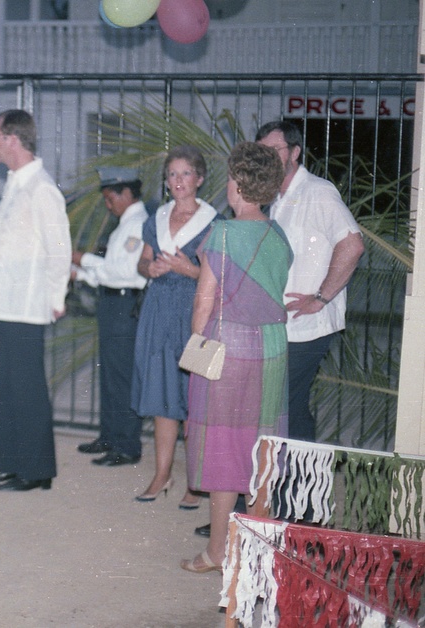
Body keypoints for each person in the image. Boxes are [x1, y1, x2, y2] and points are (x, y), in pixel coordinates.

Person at [181, 142, 291, 573]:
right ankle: (258, 553)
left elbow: (203, 300)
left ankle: (217, 551)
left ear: (239, 185)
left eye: (229, 177)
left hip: (228, 352)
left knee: (221, 447)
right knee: (260, 448)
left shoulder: (224, 234)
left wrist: (197, 343)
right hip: (273, 349)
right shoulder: (278, 234)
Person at [0, 109, 71, 492]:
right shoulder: (16, 183)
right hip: (2, 303)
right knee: (5, 387)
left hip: (27, 304)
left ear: (12, 139)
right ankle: (11, 462)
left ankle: (36, 471)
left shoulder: (42, 189)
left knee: (27, 389)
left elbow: (59, 250)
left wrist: (56, 296)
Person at [256, 120, 365, 442]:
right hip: (282, 324)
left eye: (274, 150)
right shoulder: (273, 198)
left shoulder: (317, 192)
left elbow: (353, 244)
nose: (268, 158)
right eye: (262, 152)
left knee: (284, 404)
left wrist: (321, 297)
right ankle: (293, 485)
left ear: (295, 152)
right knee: (287, 405)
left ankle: (293, 486)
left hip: (307, 325)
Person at [131, 145, 218, 508]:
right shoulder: (157, 217)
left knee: (195, 398)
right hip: (158, 310)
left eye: (185, 174)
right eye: (172, 174)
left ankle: (197, 483)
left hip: (197, 311)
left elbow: (220, 276)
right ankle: (161, 474)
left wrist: (188, 270)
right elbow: (142, 262)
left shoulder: (215, 221)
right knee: (161, 396)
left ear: (199, 179)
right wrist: (147, 269)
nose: (178, 181)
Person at [73, 167, 149, 466]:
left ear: (127, 193)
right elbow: (109, 272)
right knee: (110, 373)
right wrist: (82, 272)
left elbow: (123, 272)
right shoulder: (125, 225)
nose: (108, 205)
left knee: (121, 377)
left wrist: (82, 259)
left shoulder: (137, 225)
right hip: (112, 303)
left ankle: (126, 445)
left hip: (124, 306)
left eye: (110, 198)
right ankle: (109, 435)